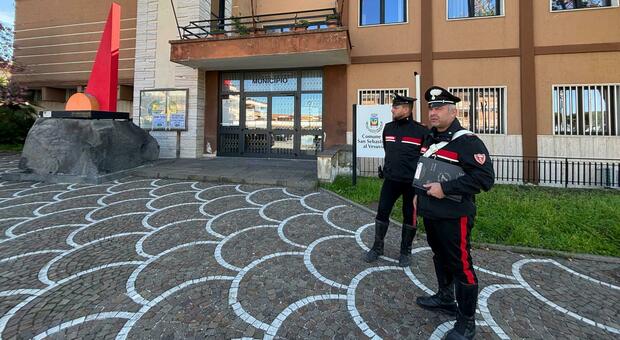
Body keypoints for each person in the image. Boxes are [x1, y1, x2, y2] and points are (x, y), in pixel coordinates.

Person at [414, 86, 494, 340]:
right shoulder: (430, 137)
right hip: (431, 211)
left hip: (454, 215)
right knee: (440, 256)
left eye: (439, 108)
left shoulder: (468, 141)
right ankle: (445, 299)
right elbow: (423, 169)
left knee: (462, 265)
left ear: (453, 110)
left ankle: (467, 322)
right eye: (431, 108)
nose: (433, 112)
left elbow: (485, 179)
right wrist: (417, 195)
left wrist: (445, 188)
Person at [364, 93, 429, 267]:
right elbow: (388, 150)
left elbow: (425, 160)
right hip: (391, 181)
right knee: (382, 212)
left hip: (411, 184)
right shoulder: (388, 128)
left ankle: (405, 251)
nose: (392, 109)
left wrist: (420, 184)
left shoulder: (422, 131)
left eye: (396, 107)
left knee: (410, 216)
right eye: (393, 106)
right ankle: (377, 247)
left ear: (406, 109)